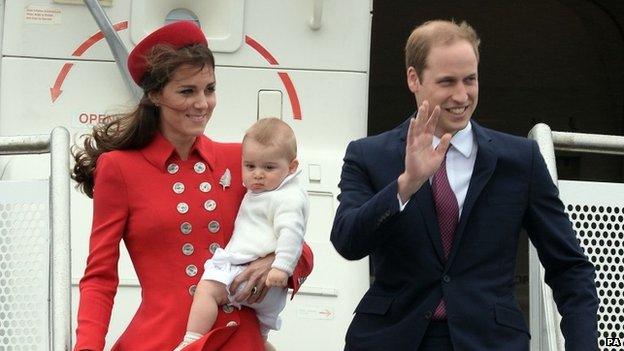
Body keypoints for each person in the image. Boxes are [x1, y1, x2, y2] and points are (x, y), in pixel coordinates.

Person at [330, 19, 598, 351]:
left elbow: (569, 267)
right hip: (391, 338)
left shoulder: (520, 159)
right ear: (414, 78)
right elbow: (347, 241)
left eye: (470, 80)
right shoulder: (368, 155)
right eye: (447, 82)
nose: (462, 95)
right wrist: (406, 185)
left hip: (489, 341)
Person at [72, 21, 313, 351]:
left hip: (237, 338)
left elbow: (299, 240)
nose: (203, 103)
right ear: (155, 95)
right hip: (165, 339)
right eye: (187, 91)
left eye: (209, 89)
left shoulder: (240, 160)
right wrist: (87, 347)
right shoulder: (119, 168)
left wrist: (274, 263)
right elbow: (99, 277)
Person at [174, 117, 309, 350]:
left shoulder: (286, 196)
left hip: (248, 275)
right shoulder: (269, 185)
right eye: (250, 167)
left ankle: (191, 341)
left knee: (208, 290)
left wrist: (281, 266)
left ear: (292, 167)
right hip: (267, 293)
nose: (257, 174)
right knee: (260, 333)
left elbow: (293, 234)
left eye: (268, 168)